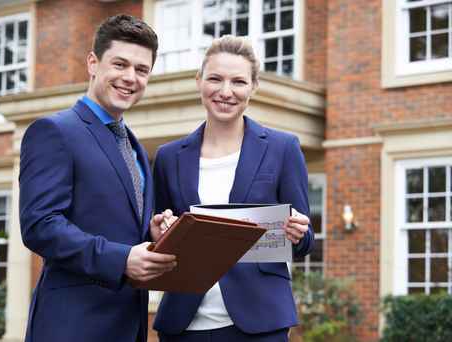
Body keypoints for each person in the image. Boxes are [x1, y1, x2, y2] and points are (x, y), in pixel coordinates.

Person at [19, 14, 177, 342]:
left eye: (141, 69)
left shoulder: (133, 144)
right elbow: (40, 225)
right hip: (73, 325)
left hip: (127, 326)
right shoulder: (54, 131)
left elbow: (112, 222)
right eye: (120, 64)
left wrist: (151, 229)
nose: (130, 77)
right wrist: (121, 259)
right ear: (93, 62)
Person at [152, 35, 314, 342]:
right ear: (199, 81)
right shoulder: (168, 157)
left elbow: (304, 241)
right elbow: (157, 235)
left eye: (238, 82)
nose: (226, 91)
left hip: (260, 323)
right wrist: (158, 231)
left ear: (254, 86)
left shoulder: (283, 149)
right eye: (215, 79)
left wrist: (300, 231)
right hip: (184, 324)